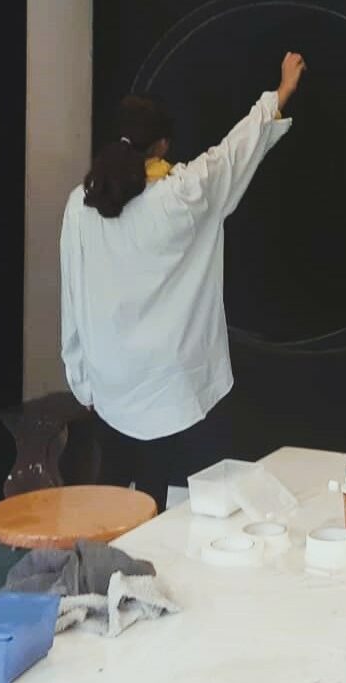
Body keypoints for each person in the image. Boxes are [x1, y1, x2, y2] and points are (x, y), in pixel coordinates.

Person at [60, 52, 307, 512]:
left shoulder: (82, 203)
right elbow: (234, 152)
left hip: (109, 378)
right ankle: (137, 556)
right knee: (153, 497)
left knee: (107, 492)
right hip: (165, 381)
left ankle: (94, 557)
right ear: (162, 145)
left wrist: (81, 379)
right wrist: (280, 93)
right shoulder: (184, 195)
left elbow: (70, 295)